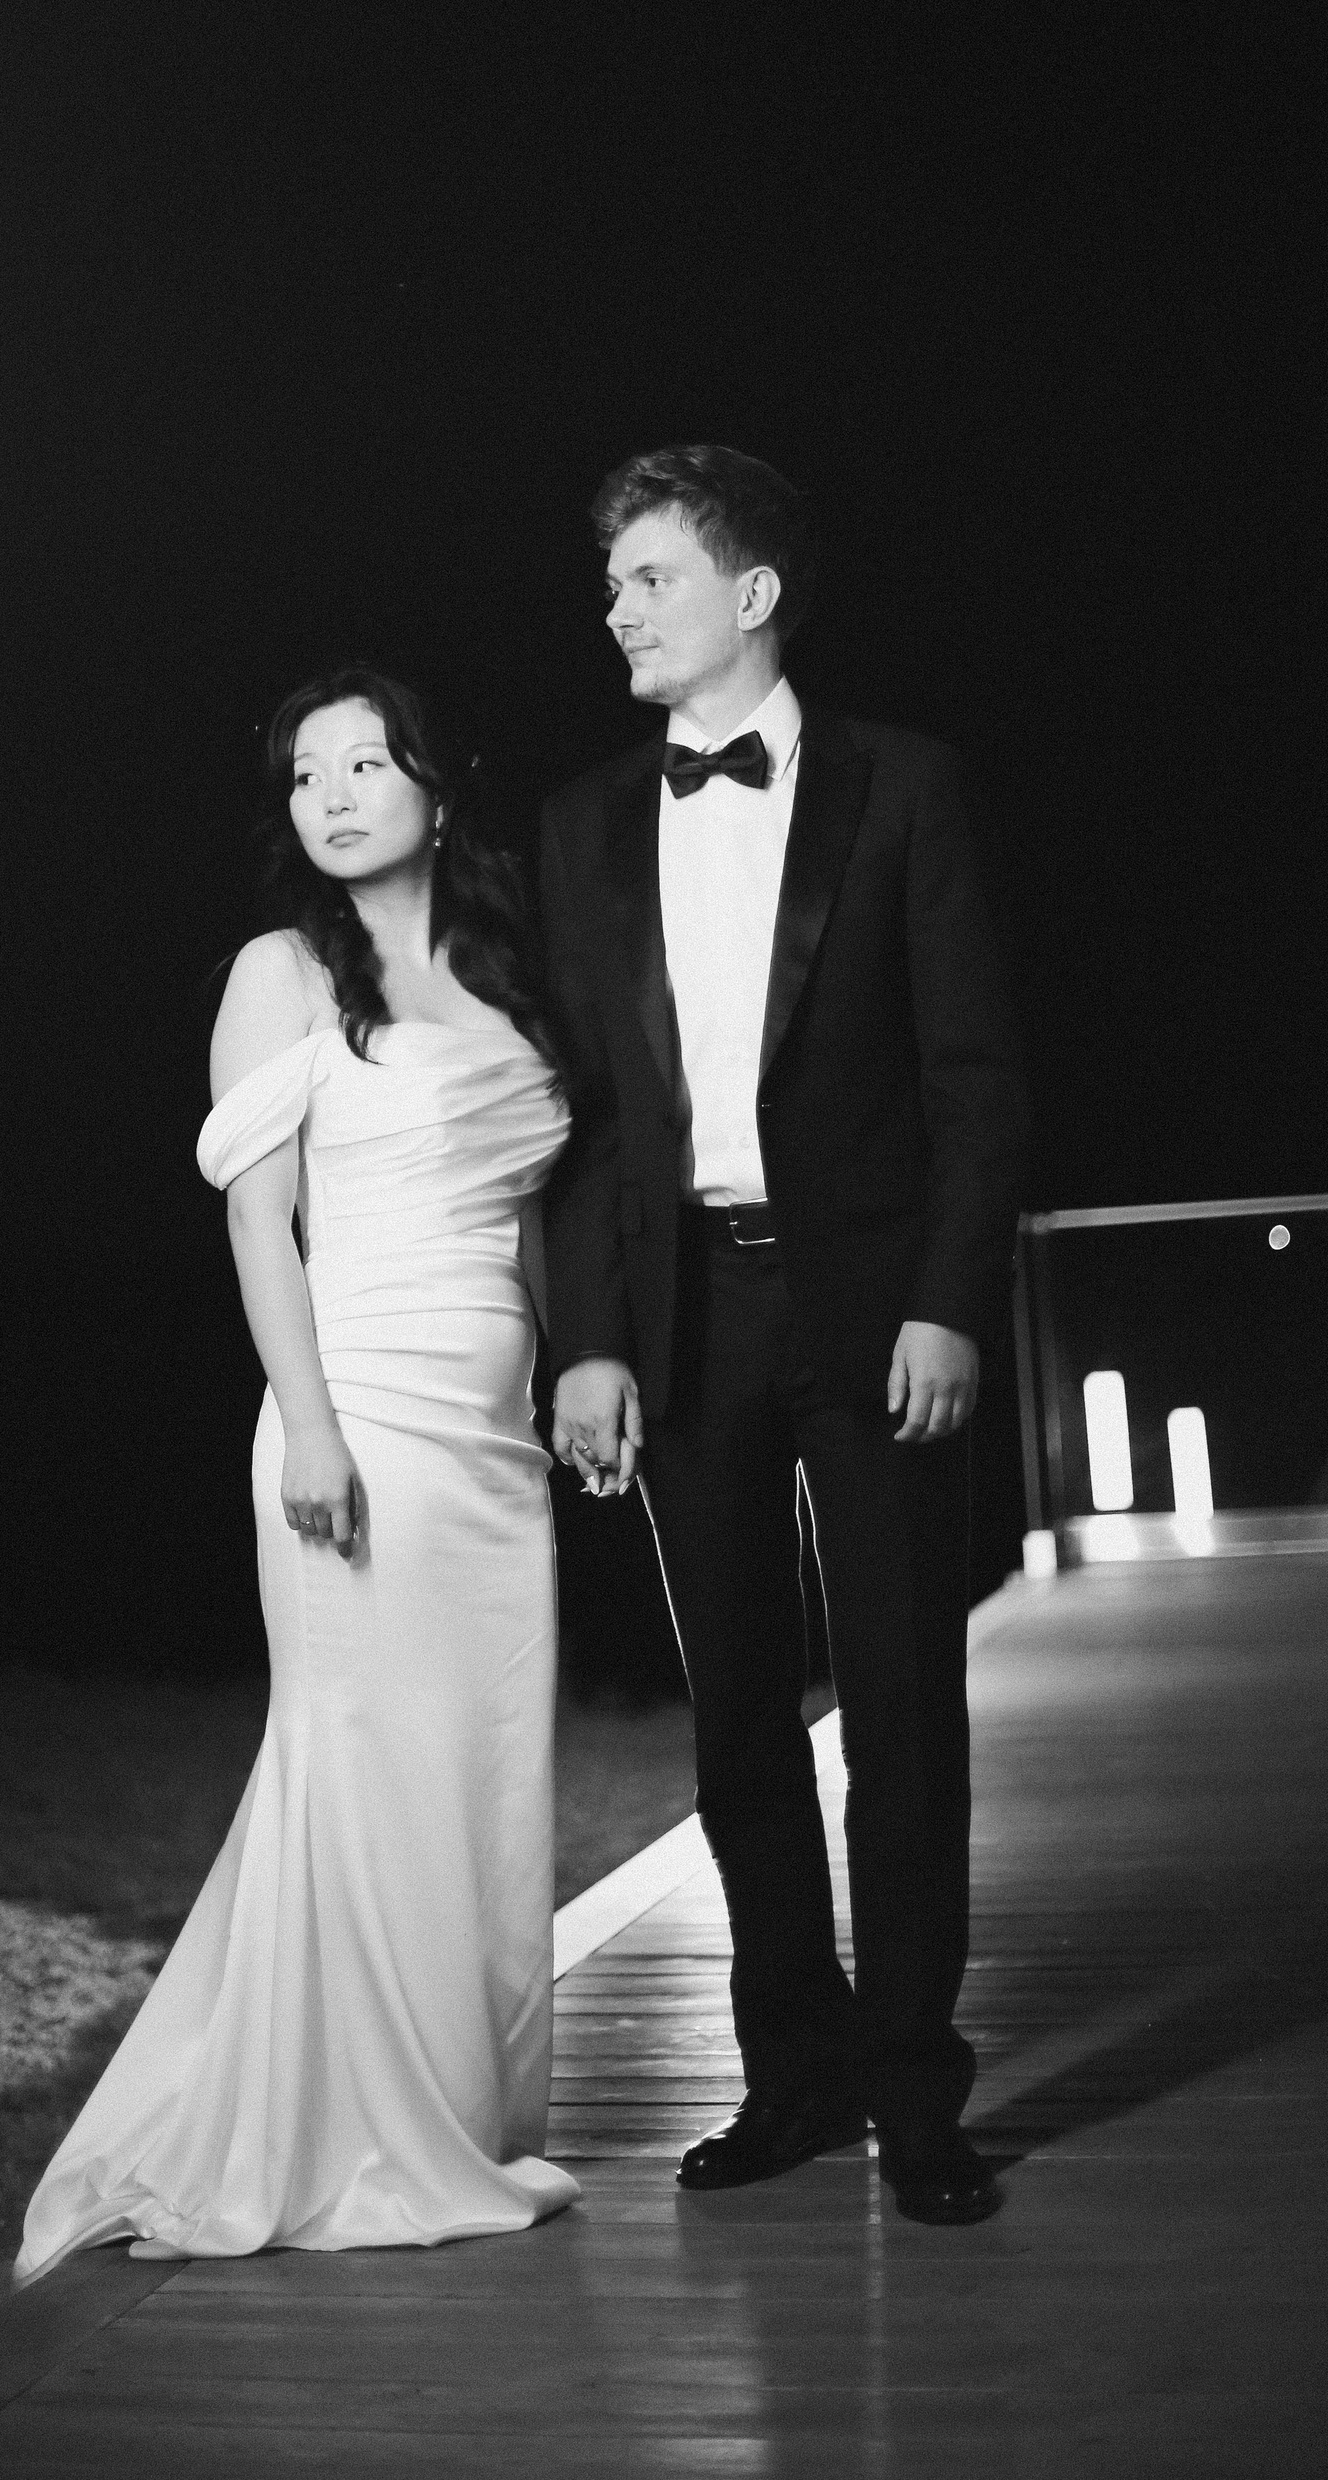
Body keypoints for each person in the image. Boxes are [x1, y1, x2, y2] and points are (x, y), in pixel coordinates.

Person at [16, 667, 579, 2275]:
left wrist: (561, 1380)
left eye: (366, 764)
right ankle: (345, 2138)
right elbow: (260, 1226)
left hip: (493, 1448)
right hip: (359, 1414)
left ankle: (461, 2114)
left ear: (440, 792)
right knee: (358, 1761)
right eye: (304, 774)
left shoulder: (511, 977)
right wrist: (311, 1425)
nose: (331, 795)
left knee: (483, 1781)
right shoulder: (281, 973)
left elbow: (533, 1220)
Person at [540, 446, 1029, 2226]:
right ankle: (795, 2078)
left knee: (903, 1706)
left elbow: (974, 1077)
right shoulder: (588, 822)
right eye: (614, 581)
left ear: (750, 595)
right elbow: (589, 1119)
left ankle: (915, 2094)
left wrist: (949, 1302)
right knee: (739, 1717)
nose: (616, 608)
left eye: (650, 577)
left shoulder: (906, 785)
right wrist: (588, 1339)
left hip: (877, 1308)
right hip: (683, 1313)